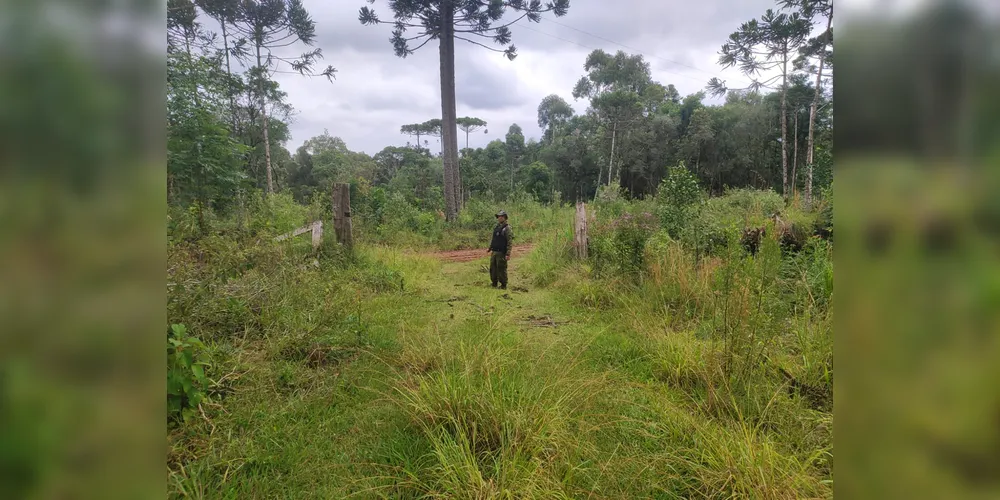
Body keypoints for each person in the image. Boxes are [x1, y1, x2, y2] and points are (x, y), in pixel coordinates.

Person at [486, 210, 513, 289]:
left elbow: (509, 242)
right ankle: (494, 283)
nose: (499, 218)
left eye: (501, 216)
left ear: (505, 217)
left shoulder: (507, 228)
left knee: (501, 268)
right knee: (493, 268)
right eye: (498, 216)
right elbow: (494, 239)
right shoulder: (497, 227)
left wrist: (508, 254)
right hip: (494, 251)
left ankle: (503, 285)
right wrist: (490, 248)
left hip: (501, 252)